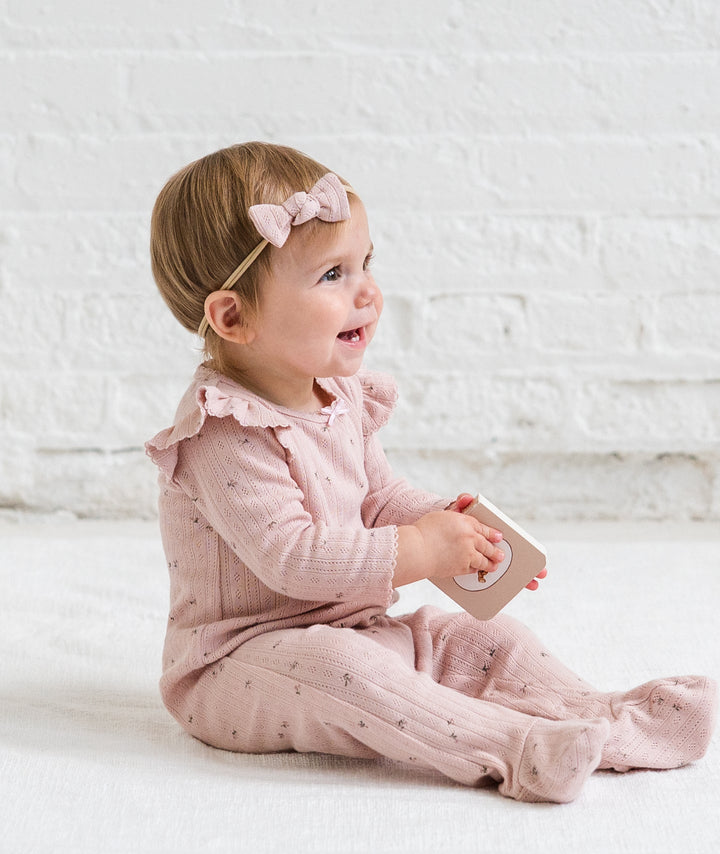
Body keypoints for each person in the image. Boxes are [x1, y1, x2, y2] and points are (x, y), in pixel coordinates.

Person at [146, 142, 716, 803]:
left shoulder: (336, 397)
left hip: (358, 632)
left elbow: (379, 497)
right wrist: (418, 550)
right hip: (244, 665)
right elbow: (290, 558)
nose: (367, 292)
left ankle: (608, 720)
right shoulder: (225, 429)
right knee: (343, 669)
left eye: (365, 264)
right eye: (331, 275)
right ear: (234, 317)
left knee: (481, 636)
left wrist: (448, 528)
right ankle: (515, 750)